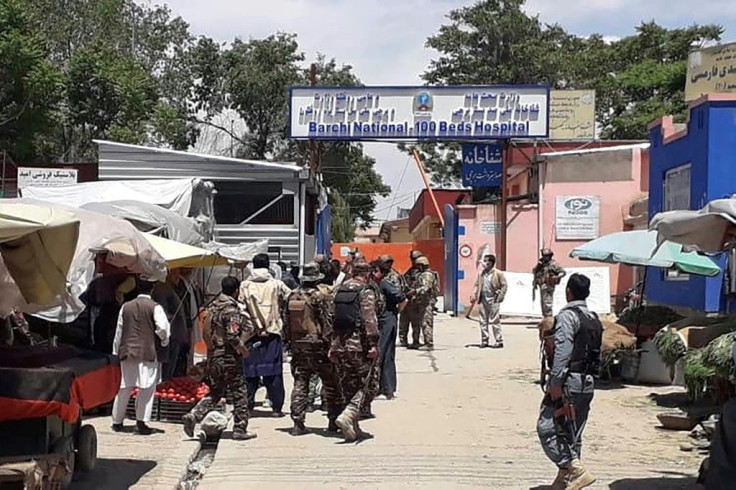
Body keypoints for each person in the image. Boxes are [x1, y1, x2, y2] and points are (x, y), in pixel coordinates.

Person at [537, 273, 601, 490]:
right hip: (588, 382)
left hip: (569, 382)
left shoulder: (568, 316)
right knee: (573, 432)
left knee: (547, 427)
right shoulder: (593, 317)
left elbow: (563, 351)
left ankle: (576, 469)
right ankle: (566, 480)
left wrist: (555, 382)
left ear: (568, 292)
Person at [183, 276, 257, 441]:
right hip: (229, 357)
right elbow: (232, 334)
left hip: (213, 357)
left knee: (216, 392)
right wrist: (242, 349)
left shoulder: (213, 307)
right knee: (239, 392)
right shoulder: (230, 310)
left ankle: (194, 415)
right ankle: (240, 428)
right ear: (236, 290)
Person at [284, 262, 342, 436]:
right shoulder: (321, 296)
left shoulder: (292, 296)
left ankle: (297, 422)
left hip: (298, 345)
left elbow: (286, 322)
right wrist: (332, 344)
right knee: (330, 383)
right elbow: (328, 321)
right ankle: (333, 420)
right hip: (318, 345)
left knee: (300, 382)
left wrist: (289, 342)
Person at [111, 276, 170, 435]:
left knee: (124, 387)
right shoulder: (155, 307)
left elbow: (119, 331)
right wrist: (164, 342)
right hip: (147, 353)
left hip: (127, 352)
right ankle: (141, 423)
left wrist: (116, 351)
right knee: (147, 388)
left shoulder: (125, 307)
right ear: (152, 289)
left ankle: (117, 422)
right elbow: (163, 329)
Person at [329, 260, 380, 442]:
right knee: (370, 384)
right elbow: (369, 319)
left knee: (349, 385)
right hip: (359, 346)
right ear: (366, 274)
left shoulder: (338, 290)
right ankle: (349, 414)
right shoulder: (365, 291)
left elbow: (330, 318)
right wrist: (373, 344)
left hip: (340, 345)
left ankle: (353, 428)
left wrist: (333, 345)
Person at [239, 253, 291, 417]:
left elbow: (240, 308)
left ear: (253, 266)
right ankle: (276, 408)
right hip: (272, 334)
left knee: (249, 372)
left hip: (250, 335)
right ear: (268, 266)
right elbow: (291, 297)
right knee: (273, 372)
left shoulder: (244, 285)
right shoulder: (277, 284)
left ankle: (247, 406)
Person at [372, 259, 407, 399]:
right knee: (382, 354)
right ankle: (383, 388)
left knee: (384, 353)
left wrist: (395, 314)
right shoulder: (376, 284)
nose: (373, 274)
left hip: (387, 321)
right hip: (381, 321)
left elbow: (403, 299)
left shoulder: (386, 284)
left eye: (375, 271)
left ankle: (388, 389)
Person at [152, 269, 190, 380]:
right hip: (170, 334)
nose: (178, 275)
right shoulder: (161, 289)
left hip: (175, 333)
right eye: (174, 272)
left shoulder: (169, 288)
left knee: (171, 364)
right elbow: (162, 312)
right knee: (167, 366)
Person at [471, 254, 508, 348]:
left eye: (487, 261)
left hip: (494, 299)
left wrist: (500, 296)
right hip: (483, 299)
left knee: (494, 320)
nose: (485, 263)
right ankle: (484, 340)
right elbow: (477, 284)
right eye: (484, 261)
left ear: (491, 263)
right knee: (483, 321)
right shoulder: (481, 274)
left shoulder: (498, 273)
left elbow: (504, 285)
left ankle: (499, 340)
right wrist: (474, 294)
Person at [408, 256, 438, 351]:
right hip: (420, 302)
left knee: (426, 323)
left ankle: (429, 344)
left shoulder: (427, 275)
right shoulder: (422, 274)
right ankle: (416, 342)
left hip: (426, 302)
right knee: (417, 323)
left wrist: (415, 291)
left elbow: (426, 288)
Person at [399, 250, 423, 347]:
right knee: (406, 321)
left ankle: (414, 341)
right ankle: (405, 340)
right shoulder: (411, 272)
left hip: (413, 299)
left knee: (413, 322)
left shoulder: (418, 272)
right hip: (409, 299)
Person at [533, 249, 566, 318]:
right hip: (542, 285)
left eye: (546, 256)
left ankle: (549, 318)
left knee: (547, 303)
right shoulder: (541, 264)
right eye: (543, 255)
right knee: (543, 303)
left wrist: (556, 277)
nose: (544, 257)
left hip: (549, 285)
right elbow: (535, 272)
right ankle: (545, 317)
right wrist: (538, 266)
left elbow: (563, 272)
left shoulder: (553, 264)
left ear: (550, 256)